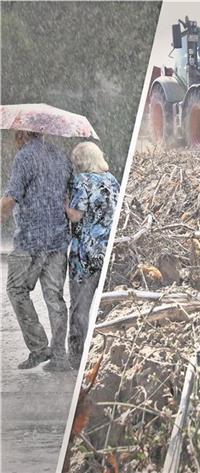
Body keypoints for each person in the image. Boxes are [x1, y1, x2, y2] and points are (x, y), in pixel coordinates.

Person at [0, 131, 73, 371]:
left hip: (30, 241)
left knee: (16, 290)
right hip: (58, 240)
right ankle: (60, 355)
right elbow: (70, 196)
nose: (13, 138)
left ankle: (40, 348)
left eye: (15, 134)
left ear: (22, 134)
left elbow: (12, 197)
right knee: (54, 298)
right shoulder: (61, 156)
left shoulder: (24, 157)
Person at [64, 142, 119, 369]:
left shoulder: (81, 182)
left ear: (80, 162)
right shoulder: (112, 180)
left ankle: (76, 359)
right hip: (107, 251)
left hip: (84, 256)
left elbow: (76, 216)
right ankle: (103, 354)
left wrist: (65, 204)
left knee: (80, 307)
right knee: (106, 306)